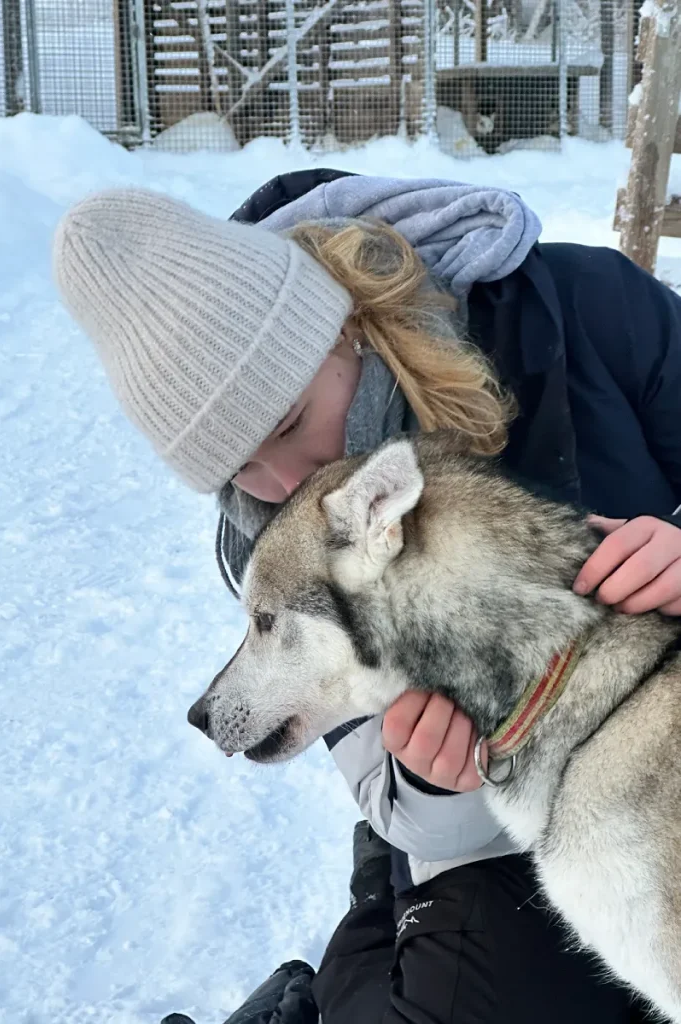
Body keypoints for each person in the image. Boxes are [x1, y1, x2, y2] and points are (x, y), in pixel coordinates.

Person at [53, 169, 681, 1024]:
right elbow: (398, 802)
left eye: (284, 422)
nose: (283, 482)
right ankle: (359, 945)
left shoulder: (582, 309)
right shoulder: (278, 539)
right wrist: (432, 786)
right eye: (237, 466)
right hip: (494, 832)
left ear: (344, 326)